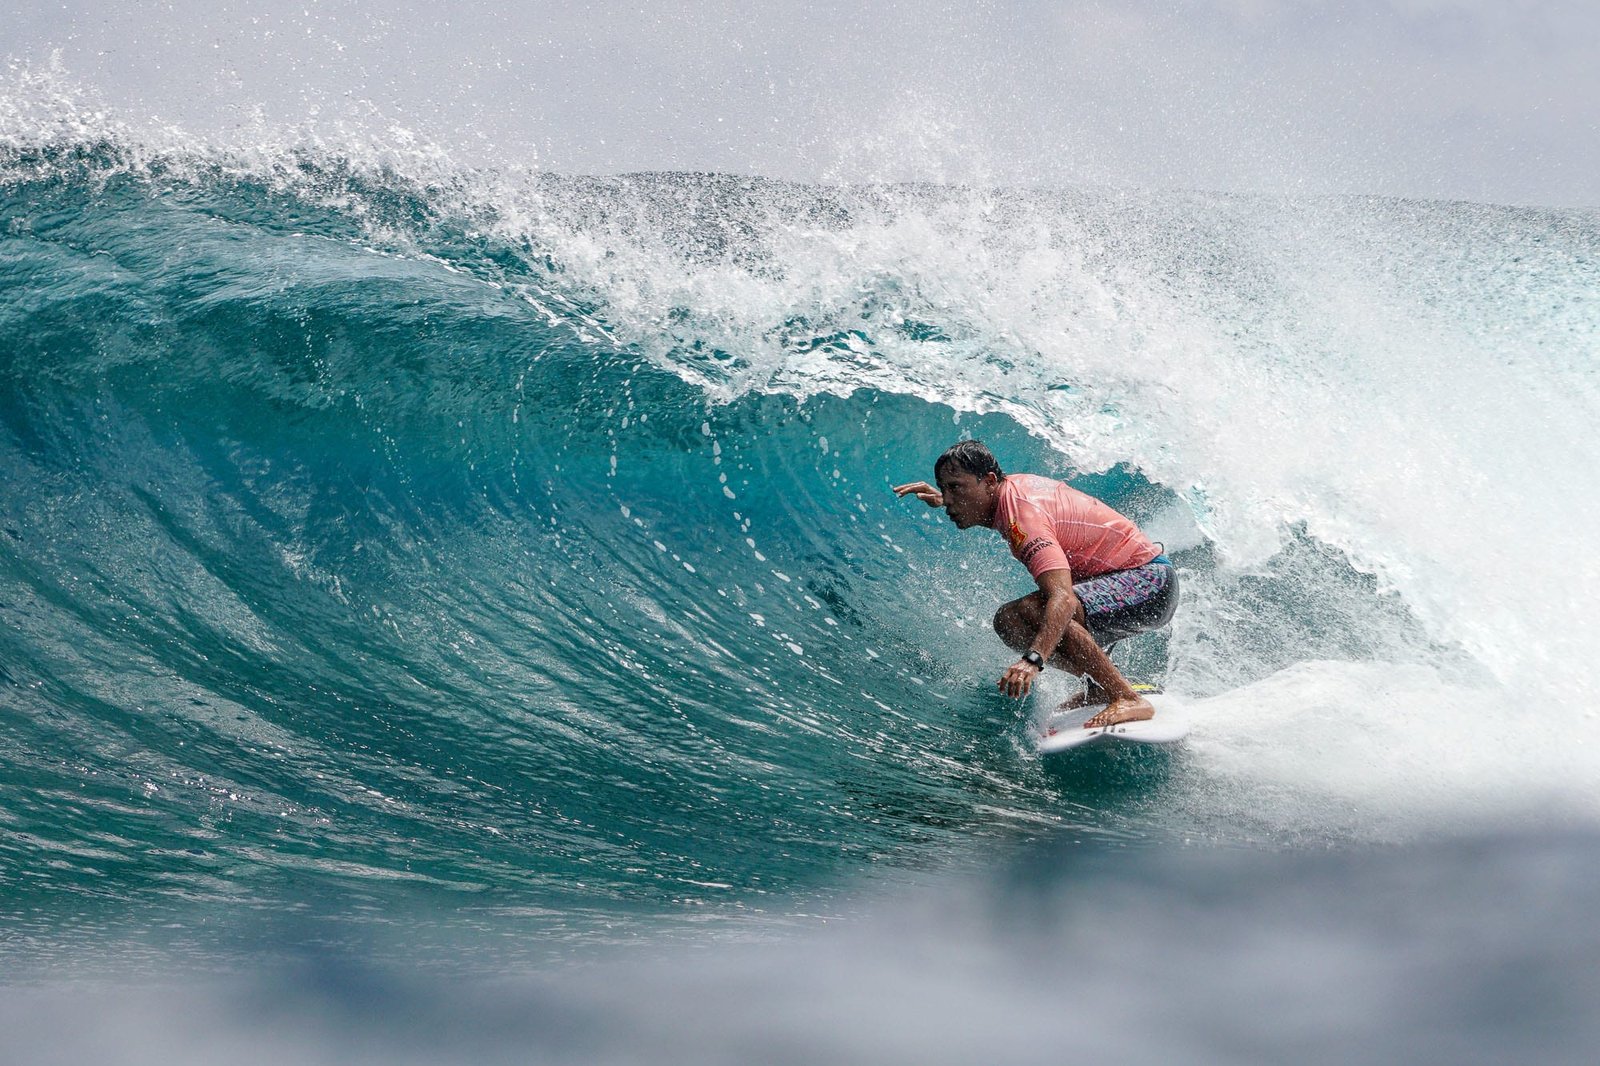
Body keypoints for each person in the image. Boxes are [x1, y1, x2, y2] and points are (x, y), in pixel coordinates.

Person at [893, 440, 1179, 729]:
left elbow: (1064, 599)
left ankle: (1126, 697)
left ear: (989, 481)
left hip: (1149, 583)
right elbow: (984, 502)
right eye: (944, 489)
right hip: (1124, 581)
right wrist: (946, 499)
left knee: (1037, 608)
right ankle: (1100, 685)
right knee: (1009, 620)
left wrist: (1033, 659)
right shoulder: (1006, 493)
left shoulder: (1023, 517)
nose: (948, 499)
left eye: (956, 488)